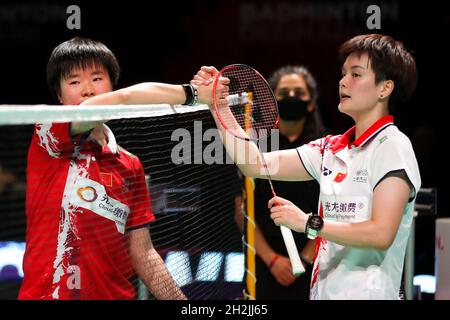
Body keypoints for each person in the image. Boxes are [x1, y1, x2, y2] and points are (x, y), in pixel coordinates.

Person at [194, 33, 421, 300]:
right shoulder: (329, 149)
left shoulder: (392, 146)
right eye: (343, 73)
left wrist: (307, 223)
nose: (343, 81)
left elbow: (381, 233)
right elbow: (254, 163)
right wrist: (218, 106)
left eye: (356, 74)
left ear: (385, 88)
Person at [18, 37, 219, 300]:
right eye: (74, 82)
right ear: (59, 95)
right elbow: (125, 97)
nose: (87, 90)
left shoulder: (129, 164)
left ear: (111, 84)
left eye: (97, 78)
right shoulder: (48, 135)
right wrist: (192, 94)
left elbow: (143, 252)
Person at [233, 66, 326, 299]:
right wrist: (272, 259)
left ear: (312, 102)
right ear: (272, 101)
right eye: (283, 93)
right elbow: (241, 209)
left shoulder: (327, 148)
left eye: (299, 92)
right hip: (263, 263)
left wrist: (303, 258)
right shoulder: (253, 149)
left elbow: (333, 211)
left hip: (316, 260)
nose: (291, 98)